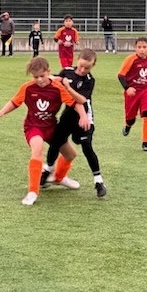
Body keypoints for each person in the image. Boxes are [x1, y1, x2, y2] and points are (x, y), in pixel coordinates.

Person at [0, 56, 90, 206]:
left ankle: (59, 177)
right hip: (33, 127)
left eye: (42, 76)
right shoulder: (27, 87)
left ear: (48, 72)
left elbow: (75, 103)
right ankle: (32, 191)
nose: (39, 80)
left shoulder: (57, 87)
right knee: (37, 150)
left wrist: (83, 116)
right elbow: (15, 102)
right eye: (35, 77)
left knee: (71, 154)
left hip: (51, 127)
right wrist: (2, 111)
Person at [41, 48, 107, 198]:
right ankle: (48, 170)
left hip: (84, 117)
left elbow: (81, 100)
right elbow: (54, 80)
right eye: (81, 66)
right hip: (68, 115)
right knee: (56, 141)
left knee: (86, 146)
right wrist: (50, 78)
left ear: (93, 66)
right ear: (77, 60)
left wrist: (68, 87)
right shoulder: (67, 71)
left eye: (87, 68)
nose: (83, 70)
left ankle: (98, 181)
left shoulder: (89, 80)